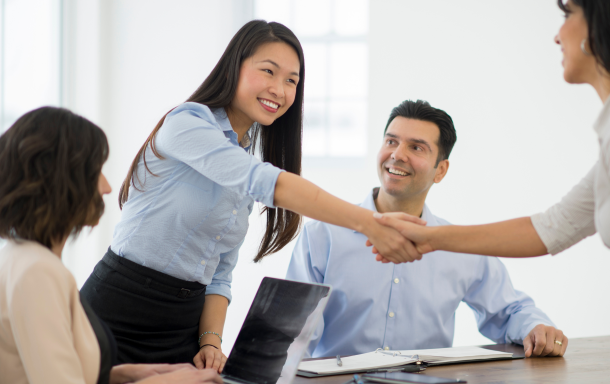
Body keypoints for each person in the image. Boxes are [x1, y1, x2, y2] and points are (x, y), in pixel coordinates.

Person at [372, 1, 610, 383]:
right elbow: (553, 227)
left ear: (603, 26)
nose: (558, 34)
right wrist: (430, 238)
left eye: (567, 16)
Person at [80, 20, 423, 373]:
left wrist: (210, 341)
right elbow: (268, 182)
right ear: (235, 67)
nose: (280, 89)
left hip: (183, 325)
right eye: (269, 71)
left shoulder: (244, 164)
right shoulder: (187, 123)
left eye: (292, 80)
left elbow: (218, 274)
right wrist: (371, 223)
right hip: (119, 310)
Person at [286, 100, 567, 358]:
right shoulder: (322, 236)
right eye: (391, 141)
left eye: (416, 147)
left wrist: (537, 328)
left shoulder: (459, 246)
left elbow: (510, 311)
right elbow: (293, 334)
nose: (397, 155)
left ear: (440, 170)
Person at [0, 107, 222, 384]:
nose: (106, 187)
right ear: (60, 181)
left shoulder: (12, 257)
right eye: (96, 172)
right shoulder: (38, 272)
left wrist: (127, 373)